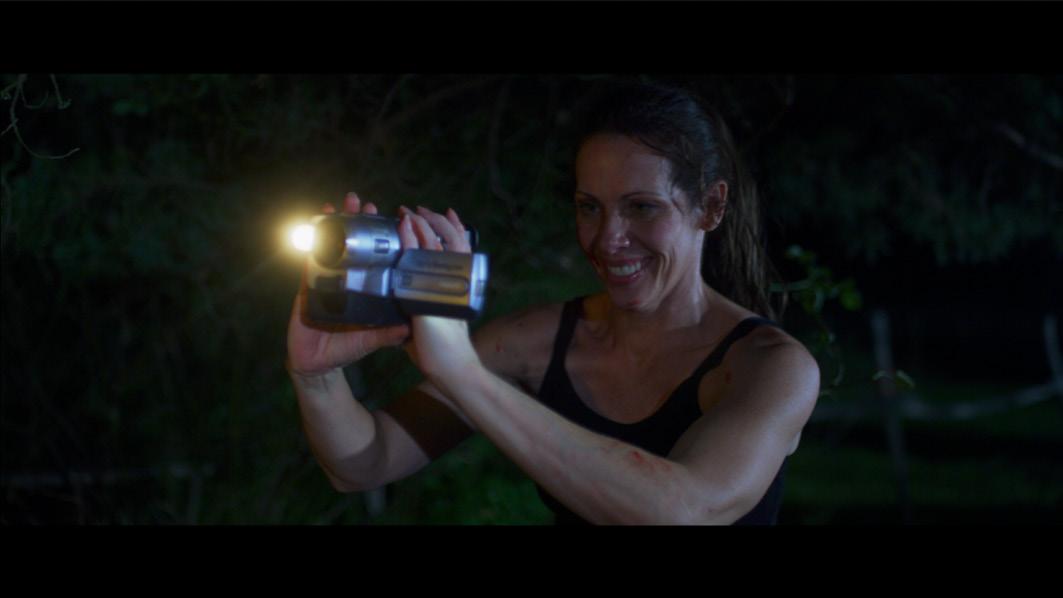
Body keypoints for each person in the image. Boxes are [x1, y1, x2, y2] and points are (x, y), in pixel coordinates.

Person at [286, 82, 820, 525]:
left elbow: (684, 511)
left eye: (641, 207)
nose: (608, 239)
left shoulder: (770, 367)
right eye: (590, 207)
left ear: (711, 206)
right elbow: (364, 463)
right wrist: (316, 376)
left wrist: (463, 373)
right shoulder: (535, 343)